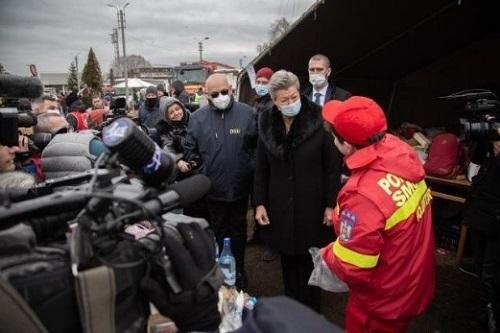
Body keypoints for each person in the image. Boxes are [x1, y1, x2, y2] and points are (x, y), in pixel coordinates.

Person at [320, 96, 435, 332]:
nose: (332, 140)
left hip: (381, 301)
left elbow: (351, 264)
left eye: (334, 136)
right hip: (410, 280)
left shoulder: (362, 196)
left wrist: (326, 254)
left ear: (348, 145)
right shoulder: (399, 153)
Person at [253, 70, 341, 311]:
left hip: (311, 205)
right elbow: (260, 167)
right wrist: (259, 202)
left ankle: (312, 311)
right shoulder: (266, 124)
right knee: (288, 259)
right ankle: (292, 306)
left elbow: (332, 168)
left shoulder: (318, 122)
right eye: (284, 100)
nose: (291, 103)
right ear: (274, 100)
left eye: (294, 97)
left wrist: (330, 204)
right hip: (279, 204)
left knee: (311, 259)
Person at [183, 73, 257, 289]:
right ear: (207, 95)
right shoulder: (198, 118)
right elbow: (190, 150)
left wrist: (248, 168)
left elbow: (256, 145)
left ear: (231, 89)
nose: (221, 96)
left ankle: (240, 270)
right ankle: (222, 272)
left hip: (240, 187)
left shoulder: (247, 113)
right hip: (213, 189)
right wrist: (203, 170)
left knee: (239, 230)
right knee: (218, 230)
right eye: (215, 94)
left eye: (224, 92)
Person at [462, 132, 500, 332]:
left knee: (490, 273)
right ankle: (484, 311)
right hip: (480, 214)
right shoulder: (489, 147)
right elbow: (474, 162)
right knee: (481, 269)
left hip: (495, 219)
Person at [156, 97, 198, 180]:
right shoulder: (166, 131)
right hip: (188, 171)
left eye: (177, 109)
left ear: (182, 107)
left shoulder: (196, 118)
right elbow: (167, 148)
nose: (176, 113)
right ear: (166, 117)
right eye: (171, 112)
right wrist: (178, 161)